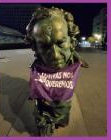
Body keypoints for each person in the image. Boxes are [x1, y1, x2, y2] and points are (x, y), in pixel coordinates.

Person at [25, 7, 87, 136]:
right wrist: (41, 118)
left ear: (72, 41)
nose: (55, 55)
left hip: (63, 106)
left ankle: (60, 118)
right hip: (45, 108)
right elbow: (38, 96)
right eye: (44, 46)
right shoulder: (37, 72)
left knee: (63, 114)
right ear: (35, 47)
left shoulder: (74, 63)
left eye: (61, 43)